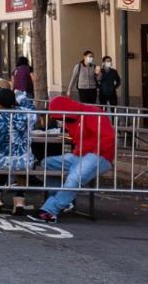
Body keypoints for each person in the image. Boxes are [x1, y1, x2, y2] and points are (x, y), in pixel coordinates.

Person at [32, 94, 116, 223]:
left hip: (99, 155)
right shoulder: (71, 118)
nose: (61, 121)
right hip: (81, 155)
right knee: (47, 163)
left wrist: (92, 154)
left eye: (61, 117)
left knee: (75, 177)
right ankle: (61, 201)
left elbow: (107, 137)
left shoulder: (93, 113)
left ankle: (50, 210)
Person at [0, 87, 38, 215]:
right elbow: (30, 105)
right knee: (21, 168)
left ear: (0, 104)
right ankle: (19, 202)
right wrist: (18, 93)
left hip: (4, 161)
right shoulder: (28, 114)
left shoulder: (2, 119)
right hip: (25, 158)